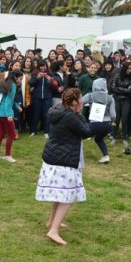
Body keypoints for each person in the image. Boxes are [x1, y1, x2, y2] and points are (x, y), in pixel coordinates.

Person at [36, 88, 91, 245]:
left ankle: (52, 221)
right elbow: (86, 131)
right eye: (80, 100)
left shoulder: (57, 109)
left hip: (54, 157)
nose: (82, 102)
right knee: (68, 196)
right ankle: (53, 230)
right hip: (63, 160)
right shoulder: (70, 116)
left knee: (60, 194)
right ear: (74, 102)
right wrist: (80, 114)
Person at [0, 70, 23, 163]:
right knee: (12, 134)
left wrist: (17, 107)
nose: (21, 81)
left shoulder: (3, 82)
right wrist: (9, 115)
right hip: (5, 114)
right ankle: (8, 155)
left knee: (0, 134)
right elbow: (8, 102)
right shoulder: (12, 86)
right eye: (20, 78)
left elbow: (5, 99)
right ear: (15, 77)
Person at [83, 78, 116, 163]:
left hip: (95, 123)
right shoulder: (110, 98)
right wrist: (112, 121)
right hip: (107, 124)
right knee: (99, 138)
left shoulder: (90, 95)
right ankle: (106, 156)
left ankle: (78, 155)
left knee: (78, 136)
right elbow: (113, 115)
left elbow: (79, 103)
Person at [111, 61, 131, 147]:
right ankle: (114, 137)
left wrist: (120, 89)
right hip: (117, 100)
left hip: (126, 101)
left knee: (125, 120)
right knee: (116, 119)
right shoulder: (117, 76)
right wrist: (125, 89)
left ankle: (124, 138)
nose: (129, 70)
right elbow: (113, 88)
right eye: (128, 68)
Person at [29, 59, 54, 138]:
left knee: (46, 115)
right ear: (38, 67)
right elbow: (31, 83)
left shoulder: (50, 74)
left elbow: (53, 86)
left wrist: (50, 80)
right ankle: (33, 131)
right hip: (37, 97)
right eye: (41, 66)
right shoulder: (35, 74)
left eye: (44, 66)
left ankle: (47, 132)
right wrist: (37, 78)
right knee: (36, 114)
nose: (43, 68)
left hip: (47, 97)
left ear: (46, 66)